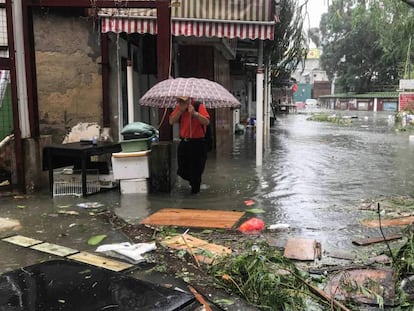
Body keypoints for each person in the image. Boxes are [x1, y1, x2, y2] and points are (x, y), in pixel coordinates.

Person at [169, 96, 210, 194]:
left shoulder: (198, 106)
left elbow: (207, 121)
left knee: (196, 172)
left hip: (198, 143)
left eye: (183, 100)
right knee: (182, 170)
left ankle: (195, 193)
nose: (181, 101)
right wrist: (180, 111)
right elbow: (171, 121)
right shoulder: (179, 107)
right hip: (185, 142)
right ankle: (192, 180)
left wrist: (195, 114)